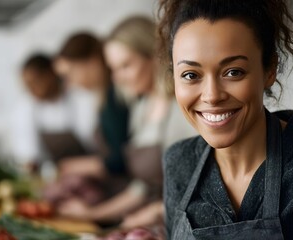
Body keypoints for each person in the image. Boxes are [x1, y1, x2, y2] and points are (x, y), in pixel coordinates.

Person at [158, 0, 293, 239]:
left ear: (270, 70)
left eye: (234, 72)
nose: (212, 96)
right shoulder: (179, 164)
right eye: (191, 75)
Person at [58, 16, 196, 229]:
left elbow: (196, 192)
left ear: (154, 56)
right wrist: (92, 214)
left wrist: (154, 212)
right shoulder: (140, 109)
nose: (117, 78)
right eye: (113, 68)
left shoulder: (181, 110)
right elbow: (142, 188)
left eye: (126, 66)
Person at [44, 33, 131, 208]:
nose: (69, 84)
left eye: (69, 74)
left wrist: (74, 166)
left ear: (91, 61)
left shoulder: (115, 99)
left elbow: (120, 160)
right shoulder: (104, 97)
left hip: (125, 196)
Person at [12, 53, 85, 174]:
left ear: (50, 74)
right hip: (55, 172)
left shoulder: (77, 95)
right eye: (27, 85)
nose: (32, 90)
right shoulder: (27, 108)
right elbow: (28, 152)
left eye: (35, 82)